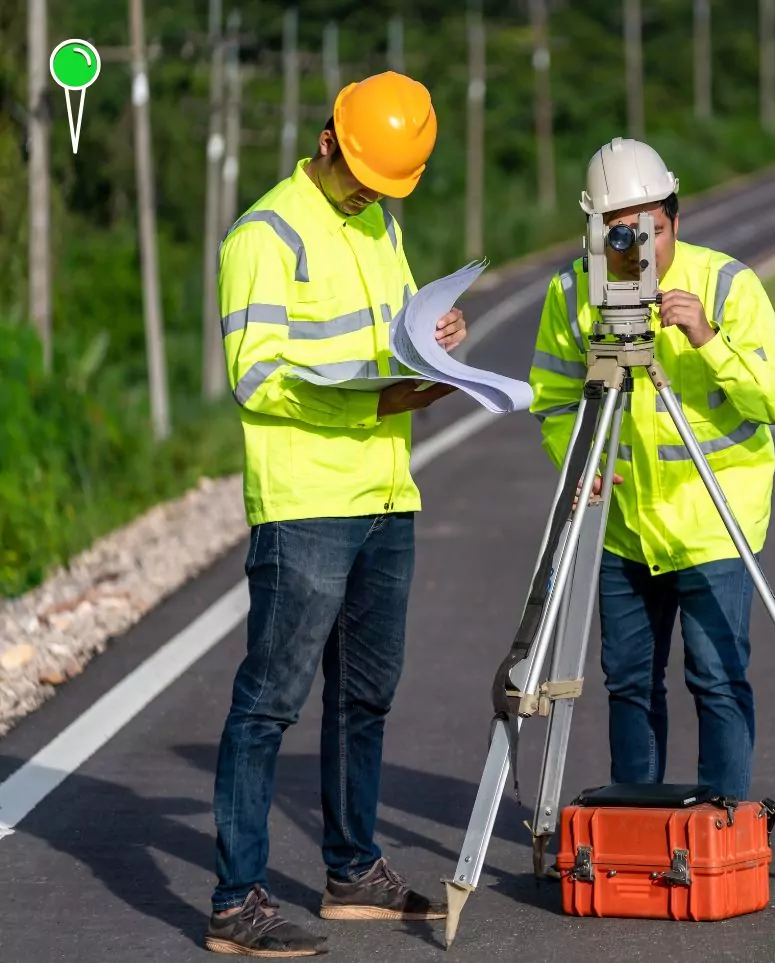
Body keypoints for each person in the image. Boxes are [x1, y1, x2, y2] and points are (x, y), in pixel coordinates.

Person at [207, 71, 464, 958]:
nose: (371, 194)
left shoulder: (381, 225)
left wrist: (433, 348)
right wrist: (372, 401)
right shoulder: (264, 234)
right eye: (365, 177)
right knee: (268, 703)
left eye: (386, 186)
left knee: (366, 695)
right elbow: (255, 375)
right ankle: (236, 901)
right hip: (308, 501)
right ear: (328, 141)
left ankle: (352, 870)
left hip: (387, 491)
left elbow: (387, 336)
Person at [527, 137, 775, 804]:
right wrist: (578, 463)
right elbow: (554, 399)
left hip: (714, 523)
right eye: (620, 232)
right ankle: (636, 823)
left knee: (716, 675)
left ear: (676, 219)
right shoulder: (573, 293)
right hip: (622, 526)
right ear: (595, 231)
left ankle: (725, 823)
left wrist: (708, 340)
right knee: (627, 680)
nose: (639, 246)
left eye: (652, 228)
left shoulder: (727, 284)